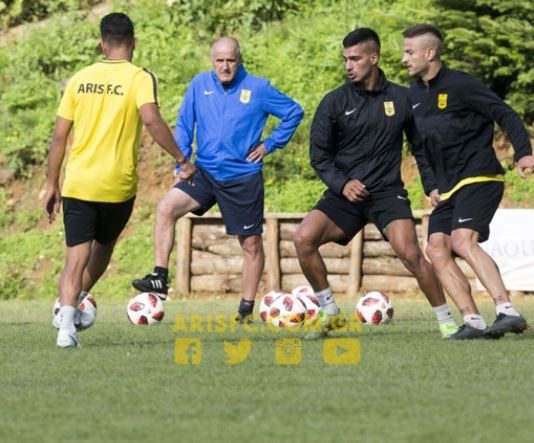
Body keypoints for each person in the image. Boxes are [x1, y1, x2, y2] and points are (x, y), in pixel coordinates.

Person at [293, 28, 458, 339]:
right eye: (345, 59)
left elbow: (420, 148)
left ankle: (447, 321)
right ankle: (330, 312)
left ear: (374, 58)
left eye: (355, 59)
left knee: (411, 254)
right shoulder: (334, 102)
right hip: (345, 194)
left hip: (387, 194)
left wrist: (431, 185)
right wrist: (343, 184)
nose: (348, 65)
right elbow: (319, 156)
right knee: (303, 239)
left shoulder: (402, 98)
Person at [43, 12, 195, 348]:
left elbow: (59, 137)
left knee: (75, 257)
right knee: (104, 246)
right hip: (117, 187)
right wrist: (182, 160)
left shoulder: (80, 79)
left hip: (79, 183)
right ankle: (74, 303)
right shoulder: (139, 78)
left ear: (102, 43)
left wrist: (52, 184)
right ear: (134, 43)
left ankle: (65, 325)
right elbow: (152, 121)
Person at [132, 37, 304, 322]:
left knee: (250, 245)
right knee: (165, 208)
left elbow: (293, 112)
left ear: (240, 60)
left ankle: (245, 309)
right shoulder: (199, 84)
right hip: (205, 172)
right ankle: (159, 277)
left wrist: (270, 144)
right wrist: (181, 162)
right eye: (219, 60)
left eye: (230, 60)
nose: (225, 66)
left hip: (242, 178)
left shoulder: (258, 88)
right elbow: (185, 124)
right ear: (212, 61)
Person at [402, 24, 534, 339]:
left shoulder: (463, 84)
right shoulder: (413, 96)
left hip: (479, 175)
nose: (404, 58)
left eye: (409, 52)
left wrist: (524, 154)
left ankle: (507, 311)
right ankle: (473, 321)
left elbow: (505, 114)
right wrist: (430, 185)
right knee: (436, 248)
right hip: (447, 187)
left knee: (463, 241)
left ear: (429, 53)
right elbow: (419, 147)